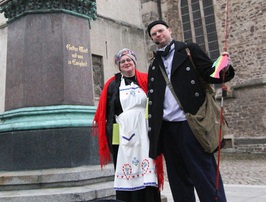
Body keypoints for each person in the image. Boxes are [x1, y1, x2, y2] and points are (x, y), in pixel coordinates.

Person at [146, 20, 235, 202]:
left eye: (160, 31)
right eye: (154, 34)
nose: (158, 35)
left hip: (192, 124)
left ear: (169, 31)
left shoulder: (188, 50)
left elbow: (210, 72)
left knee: (204, 174)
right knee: (179, 180)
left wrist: (223, 67)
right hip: (168, 129)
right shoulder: (154, 64)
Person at [93, 48, 163, 202]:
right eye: (122, 61)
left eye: (129, 60)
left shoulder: (146, 79)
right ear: (118, 65)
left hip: (144, 131)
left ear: (134, 62)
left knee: (148, 166)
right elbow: (106, 110)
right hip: (123, 132)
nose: (126, 63)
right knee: (126, 166)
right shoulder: (112, 85)